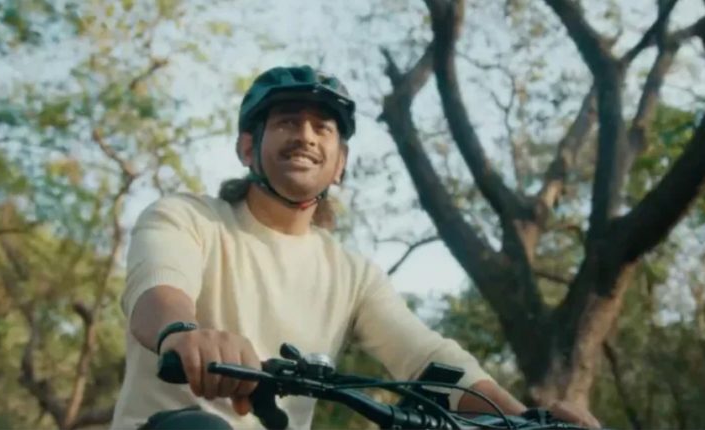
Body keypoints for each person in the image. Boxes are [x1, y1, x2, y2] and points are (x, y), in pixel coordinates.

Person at [110, 65, 600, 429]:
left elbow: (427, 359)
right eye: (287, 122)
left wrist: (525, 421)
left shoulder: (352, 273)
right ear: (246, 148)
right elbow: (160, 287)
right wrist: (182, 333)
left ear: (340, 163)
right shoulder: (187, 217)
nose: (305, 136)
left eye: (322, 128)